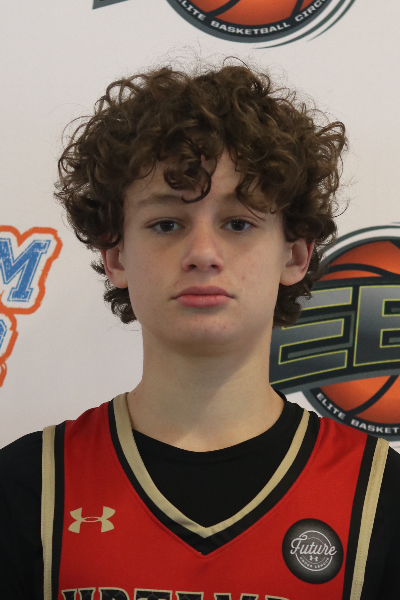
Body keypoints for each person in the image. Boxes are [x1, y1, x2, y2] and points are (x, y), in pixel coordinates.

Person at [0, 60, 399, 600]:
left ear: (295, 255)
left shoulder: (379, 495)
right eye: (167, 223)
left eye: (238, 223)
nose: (203, 253)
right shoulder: (30, 486)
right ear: (116, 256)